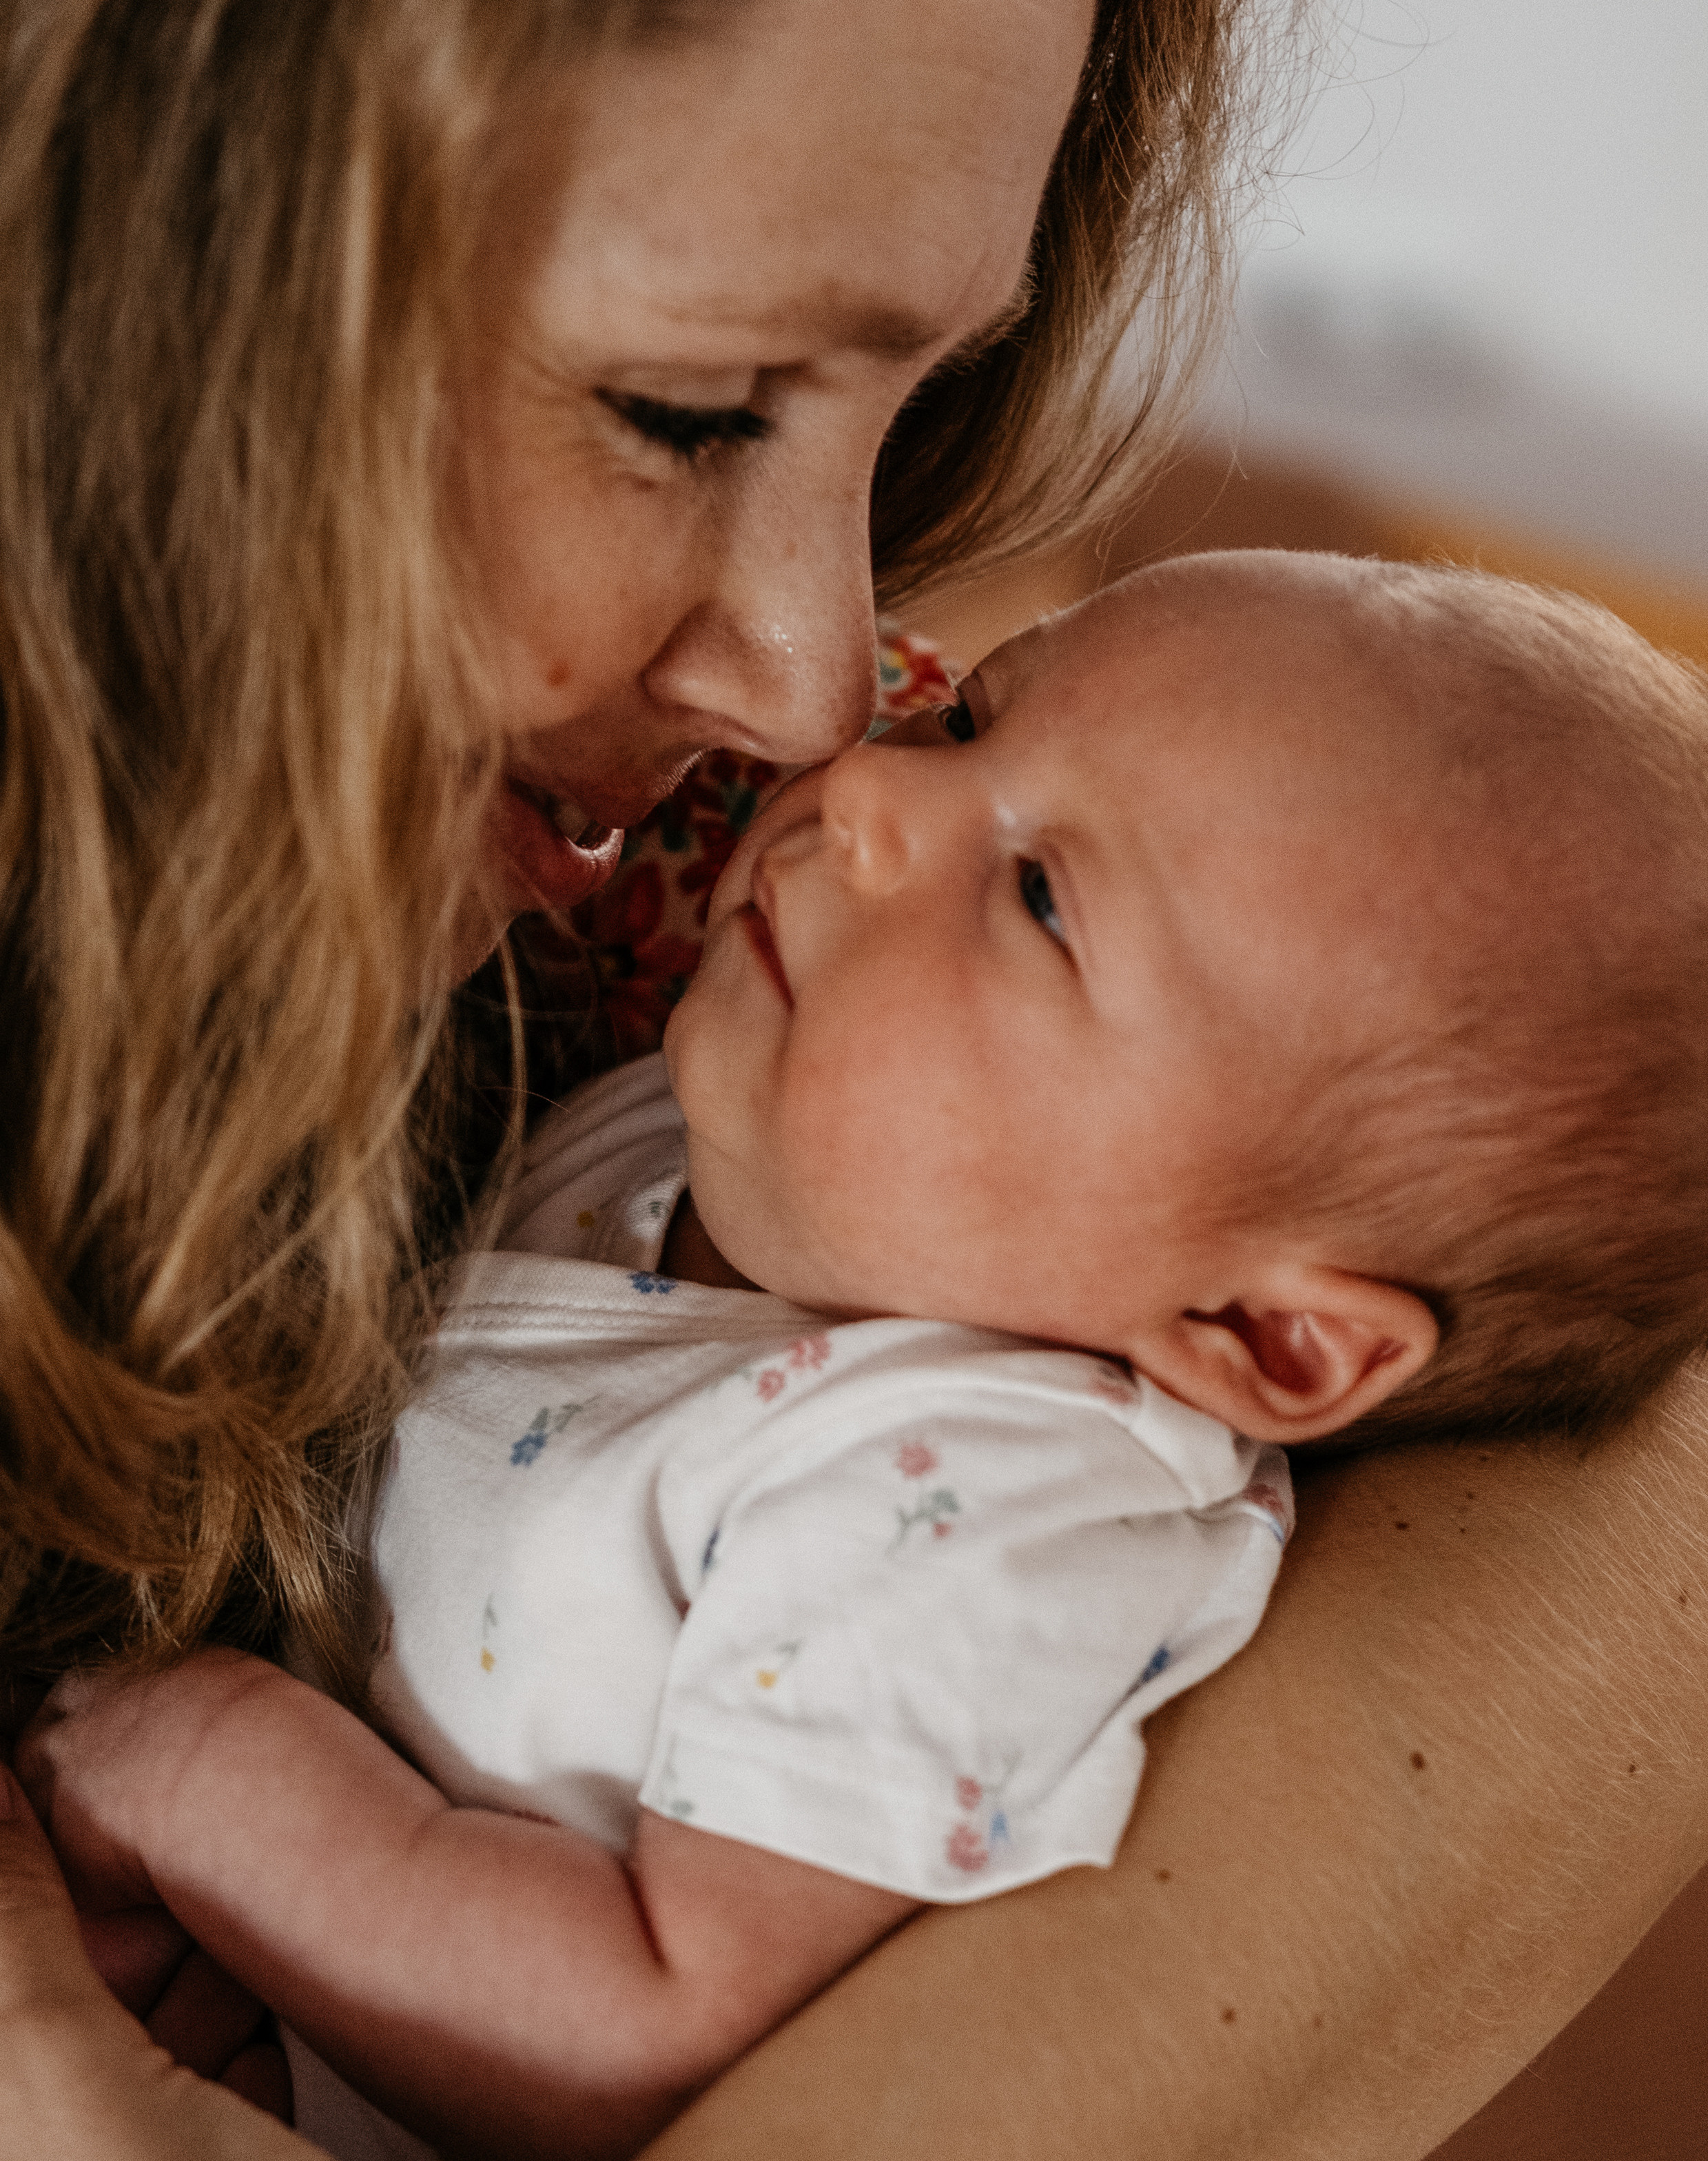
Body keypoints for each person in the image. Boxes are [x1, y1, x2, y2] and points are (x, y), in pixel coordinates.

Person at [20, 552, 1708, 2159]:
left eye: (1040, 898)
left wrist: (204, 1768)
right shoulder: (725, 1122)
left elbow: (648, 2022)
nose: (872, 791)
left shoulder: (979, 1508)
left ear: (1263, 1334)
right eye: (969, 717)